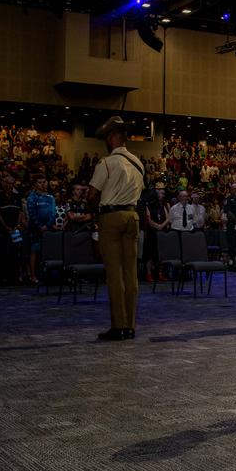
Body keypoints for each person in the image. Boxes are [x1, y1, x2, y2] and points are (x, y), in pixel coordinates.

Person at [88, 116, 144, 341]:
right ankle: (130, 326)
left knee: (114, 273)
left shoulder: (107, 163)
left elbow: (92, 194)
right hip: (133, 215)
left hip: (111, 217)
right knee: (131, 273)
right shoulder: (138, 163)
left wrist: (94, 211)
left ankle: (118, 326)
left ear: (112, 139)